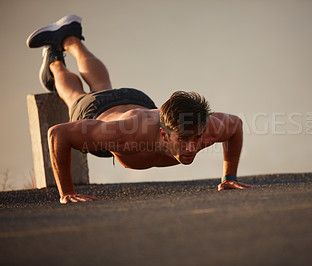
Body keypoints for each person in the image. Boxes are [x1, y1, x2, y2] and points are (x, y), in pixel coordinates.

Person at [27, 15, 257, 204]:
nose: (192, 147)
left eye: (196, 138)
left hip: (139, 102)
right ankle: (55, 59)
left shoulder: (204, 128)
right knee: (74, 96)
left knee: (102, 86)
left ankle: (71, 37)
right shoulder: (121, 136)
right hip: (98, 113)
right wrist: (66, 192)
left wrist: (229, 177)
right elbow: (58, 133)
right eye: (184, 139)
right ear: (164, 134)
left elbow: (235, 125)